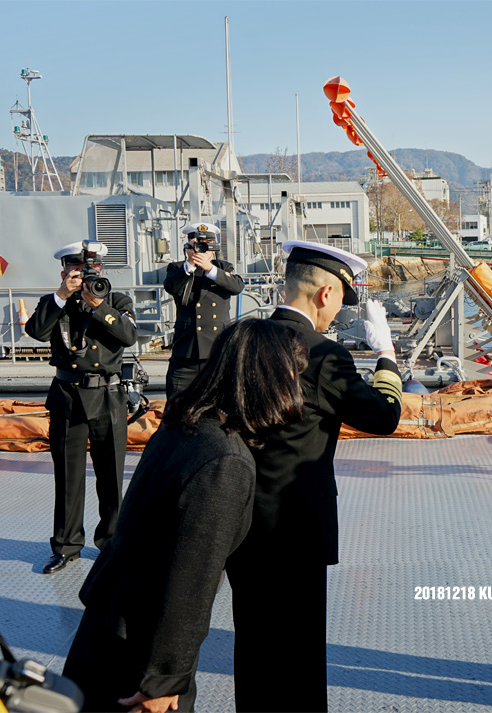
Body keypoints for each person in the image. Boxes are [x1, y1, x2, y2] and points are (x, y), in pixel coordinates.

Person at [62, 318, 308, 713]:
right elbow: (190, 582)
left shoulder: (185, 425)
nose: (296, 388)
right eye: (292, 376)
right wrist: (163, 680)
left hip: (108, 623)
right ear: (268, 379)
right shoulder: (225, 461)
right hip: (141, 656)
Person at [226, 241, 403, 713]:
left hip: (240, 523)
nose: (340, 308)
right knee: (299, 660)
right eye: (342, 297)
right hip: (295, 529)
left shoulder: (236, 340)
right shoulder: (324, 355)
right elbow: (384, 416)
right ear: (325, 294)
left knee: (253, 649)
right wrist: (385, 355)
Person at [25, 241, 137, 575]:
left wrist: (99, 305)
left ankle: (112, 542)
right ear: (65, 272)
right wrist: (62, 294)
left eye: (94, 270)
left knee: (111, 476)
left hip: (108, 398)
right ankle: (66, 546)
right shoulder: (55, 302)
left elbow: (129, 335)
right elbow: (35, 331)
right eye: (78, 271)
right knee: (68, 477)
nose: (89, 276)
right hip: (69, 397)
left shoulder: (116, 300)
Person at [163, 222, 245, 399]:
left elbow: (237, 286)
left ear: (213, 248)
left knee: (221, 403)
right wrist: (190, 265)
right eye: (197, 245)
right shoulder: (178, 269)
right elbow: (171, 287)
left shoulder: (223, 268)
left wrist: (210, 268)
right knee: (177, 402)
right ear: (188, 246)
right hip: (187, 350)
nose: (202, 250)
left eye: (206, 246)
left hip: (217, 350)